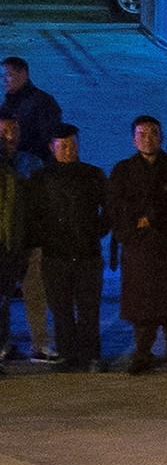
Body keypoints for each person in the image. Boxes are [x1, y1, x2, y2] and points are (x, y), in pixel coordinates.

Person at [26, 127, 109, 368]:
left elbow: (109, 209)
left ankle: (91, 355)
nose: (69, 150)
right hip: (55, 254)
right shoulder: (40, 179)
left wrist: (96, 231)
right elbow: (34, 214)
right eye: (63, 146)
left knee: (88, 308)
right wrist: (45, 237)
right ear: (52, 148)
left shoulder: (93, 174)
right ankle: (67, 354)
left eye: (72, 145)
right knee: (60, 309)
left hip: (87, 253)